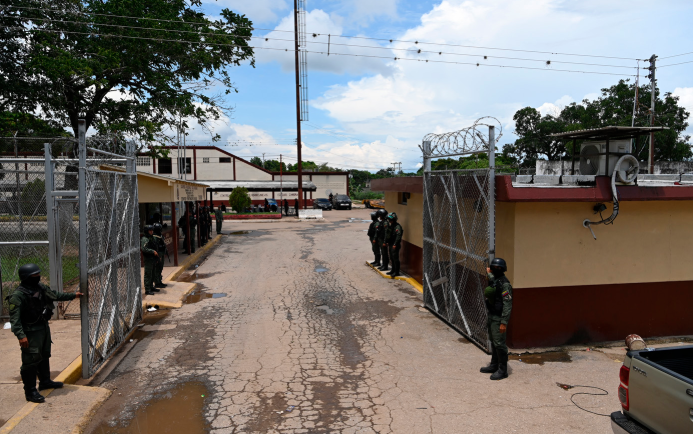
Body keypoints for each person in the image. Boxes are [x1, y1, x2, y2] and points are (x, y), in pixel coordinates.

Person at [7, 264, 83, 403]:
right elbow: (15, 319)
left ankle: (45, 381)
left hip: (43, 328)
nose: (37, 277)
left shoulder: (40, 287)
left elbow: (55, 295)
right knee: (30, 361)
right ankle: (30, 392)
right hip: (30, 332)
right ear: (25, 277)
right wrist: (21, 335)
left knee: (44, 355)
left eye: (38, 275)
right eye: (34, 276)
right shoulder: (18, 296)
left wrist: (73, 295)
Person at [480, 257, 513, 381]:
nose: (496, 269)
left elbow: (507, 304)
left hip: (499, 318)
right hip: (492, 315)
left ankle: (502, 370)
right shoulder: (496, 280)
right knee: (494, 341)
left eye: (498, 268)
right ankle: (494, 365)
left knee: (500, 343)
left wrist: (504, 322)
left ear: (503, 269)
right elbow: (493, 282)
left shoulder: (505, 284)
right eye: (494, 267)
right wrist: (489, 273)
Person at [141, 225, 160, 296]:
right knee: (148, 274)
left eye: (152, 230)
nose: (151, 232)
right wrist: (152, 251)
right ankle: (147, 289)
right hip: (148, 259)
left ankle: (151, 287)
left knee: (153, 273)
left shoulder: (152, 238)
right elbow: (144, 249)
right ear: (147, 231)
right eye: (150, 230)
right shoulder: (145, 239)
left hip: (153, 258)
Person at [386, 213, 403, 277]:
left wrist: (395, 244)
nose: (389, 221)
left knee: (395, 258)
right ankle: (393, 270)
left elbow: (398, 236)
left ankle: (397, 272)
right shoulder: (391, 226)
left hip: (395, 244)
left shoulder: (397, 226)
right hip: (391, 244)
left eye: (390, 220)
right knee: (392, 258)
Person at [152, 223, 167, 289]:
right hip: (158, 254)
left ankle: (159, 281)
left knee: (160, 268)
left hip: (161, 253)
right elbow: (155, 246)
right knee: (157, 268)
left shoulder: (159, 235)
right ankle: (157, 283)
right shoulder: (155, 237)